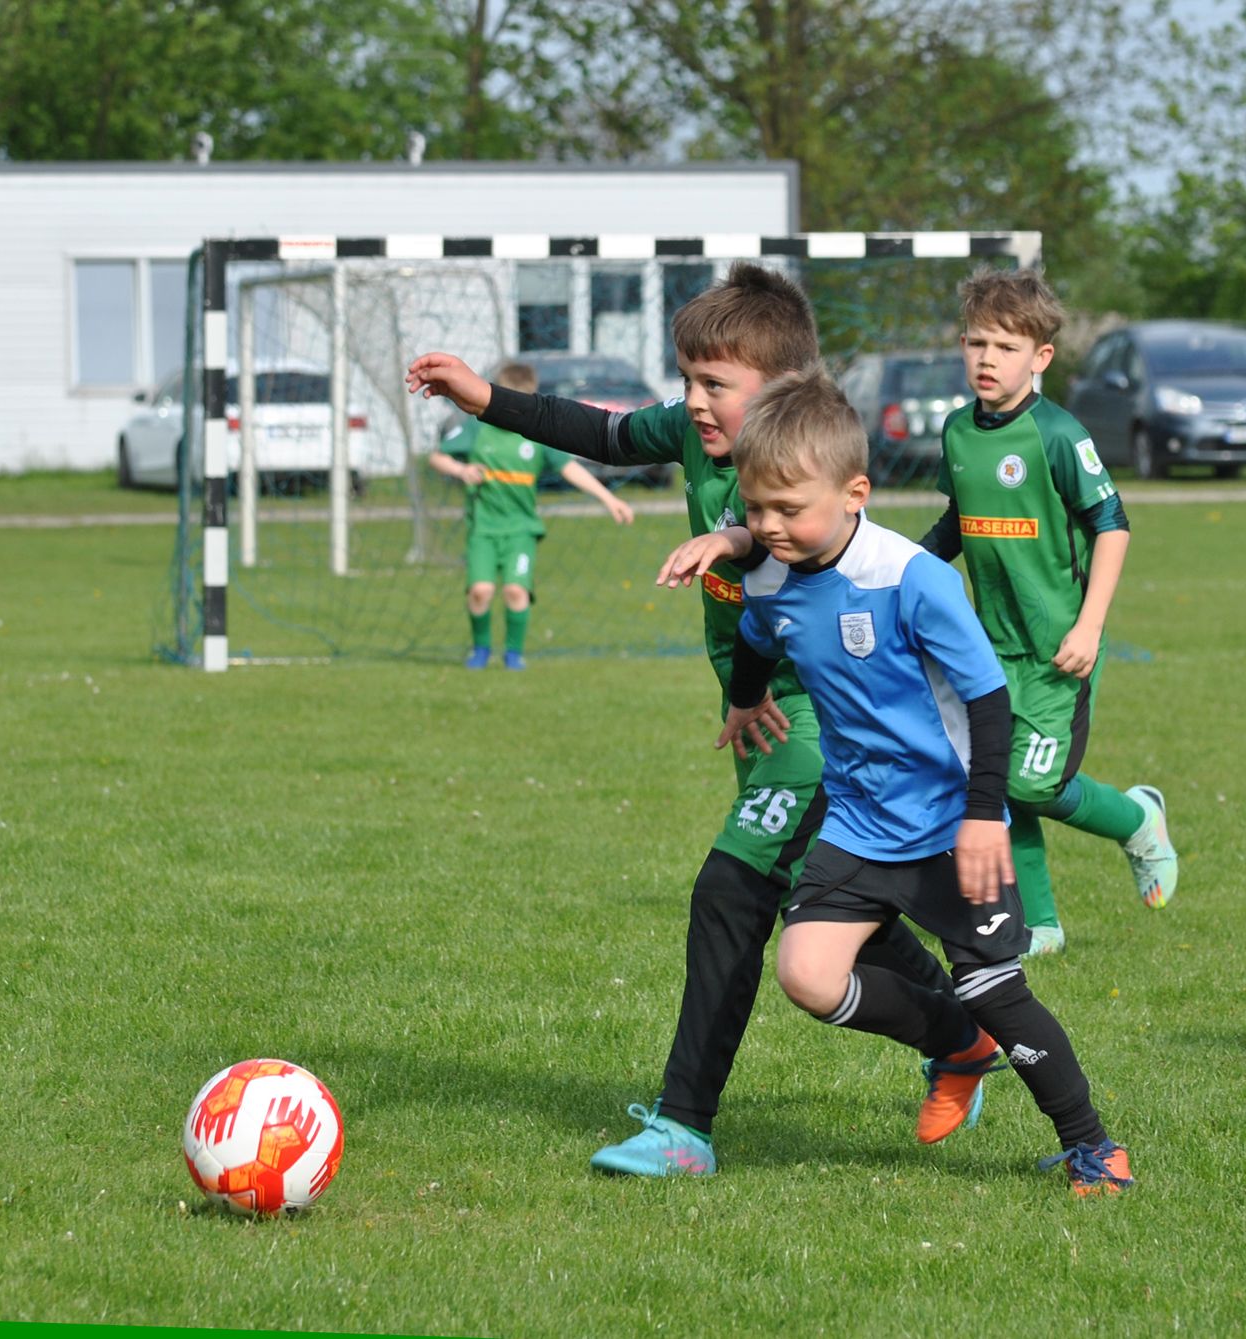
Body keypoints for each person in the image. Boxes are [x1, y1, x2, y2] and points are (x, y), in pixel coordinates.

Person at [406, 265, 964, 1177]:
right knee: (828, 899)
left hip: (828, 730)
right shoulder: (697, 437)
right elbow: (599, 430)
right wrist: (483, 396)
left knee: (730, 890)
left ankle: (684, 1128)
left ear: (783, 391)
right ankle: (960, 1034)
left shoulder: (808, 474)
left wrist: (738, 538)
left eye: (717, 385)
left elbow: (803, 557)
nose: (696, 403)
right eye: (690, 380)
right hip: (763, 719)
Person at [719, 367, 1133, 1193]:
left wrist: (984, 816)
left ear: (856, 493)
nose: (769, 527)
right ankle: (956, 1043)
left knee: (997, 988)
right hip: (859, 821)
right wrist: (743, 699)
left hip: (951, 823)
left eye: (788, 510)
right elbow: (760, 635)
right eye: (755, 509)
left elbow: (986, 701)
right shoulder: (771, 574)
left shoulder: (913, 578)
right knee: (805, 973)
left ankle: (1094, 1144)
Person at [921, 268, 1178, 956]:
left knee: (1033, 782)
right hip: (987, 647)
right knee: (997, 782)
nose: (985, 359)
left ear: (1040, 357)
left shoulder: (1058, 434)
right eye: (975, 343)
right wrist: (905, 572)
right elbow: (959, 522)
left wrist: (1090, 625)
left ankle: (1136, 819)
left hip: (1057, 648)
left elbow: (1113, 524)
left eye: (1005, 347)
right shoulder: (957, 432)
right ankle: (1041, 925)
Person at [425, 359, 635, 670]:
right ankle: (481, 650)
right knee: (481, 591)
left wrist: (608, 498)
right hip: (483, 528)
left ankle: (513, 654)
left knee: (514, 590)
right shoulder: (478, 428)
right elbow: (437, 458)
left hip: (521, 529)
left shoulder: (535, 435)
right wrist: (462, 469)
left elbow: (570, 468)